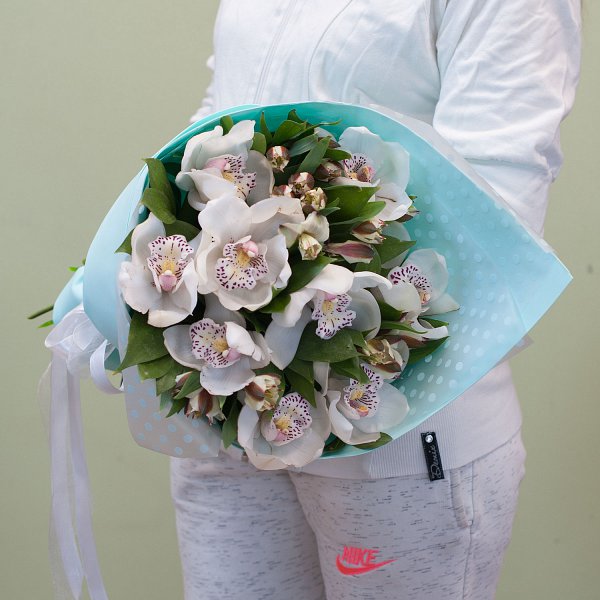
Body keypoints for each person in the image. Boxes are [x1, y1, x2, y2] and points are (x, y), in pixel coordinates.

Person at [170, 1, 581, 598]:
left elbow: (496, 204)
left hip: (393, 430)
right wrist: (158, 269)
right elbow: (225, 111)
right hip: (226, 405)